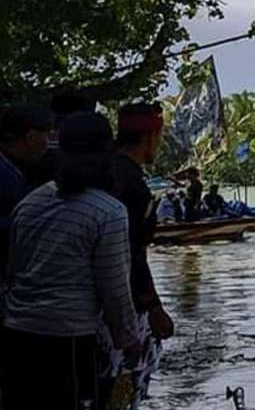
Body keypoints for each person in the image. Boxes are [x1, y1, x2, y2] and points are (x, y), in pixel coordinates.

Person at [1, 112, 141, 410]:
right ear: (107, 153)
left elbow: (12, 270)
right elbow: (115, 289)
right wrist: (129, 340)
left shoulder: (30, 202)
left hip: (16, 336)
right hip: (70, 340)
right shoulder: (109, 212)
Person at [105, 102, 174, 408]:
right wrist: (153, 306)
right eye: (159, 137)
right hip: (120, 302)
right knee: (126, 379)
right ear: (149, 137)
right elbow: (132, 254)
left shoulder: (101, 171)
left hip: (84, 302)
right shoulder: (133, 185)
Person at [0, 104, 54, 281]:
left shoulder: (12, 169)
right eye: (47, 136)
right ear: (30, 137)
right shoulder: (7, 175)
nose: (48, 144)